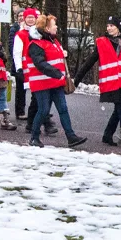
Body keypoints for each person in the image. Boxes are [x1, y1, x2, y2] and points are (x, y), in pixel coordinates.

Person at [73, 15, 121, 148]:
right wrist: (77, 79)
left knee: (120, 109)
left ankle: (107, 135)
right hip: (111, 83)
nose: (109, 28)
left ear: (118, 28)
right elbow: (89, 62)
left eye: (112, 26)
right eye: (108, 26)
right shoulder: (102, 42)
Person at [26, 14, 87, 148]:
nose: (56, 26)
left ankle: (71, 137)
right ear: (47, 28)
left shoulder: (53, 42)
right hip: (42, 83)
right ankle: (34, 137)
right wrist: (56, 73)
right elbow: (39, 63)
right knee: (43, 110)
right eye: (54, 24)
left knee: (63, 109)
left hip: (55, 82)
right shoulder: (35, 44)